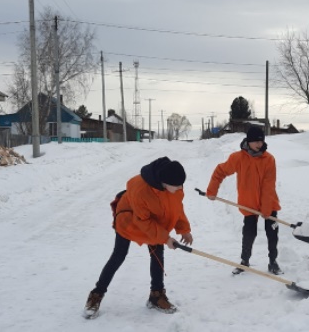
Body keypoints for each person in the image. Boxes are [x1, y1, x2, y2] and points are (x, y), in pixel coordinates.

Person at [83, 156, 193, 319]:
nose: (180, 188)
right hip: (129, 220)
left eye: (181, 185)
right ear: (164, 182)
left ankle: (156, 296)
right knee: (118, 256)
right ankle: (96, 294)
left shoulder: (174, 184)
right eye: (176, 186)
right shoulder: (141, 190)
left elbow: (177, 206)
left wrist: (183, 228)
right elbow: (144, 222)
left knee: (157, 255)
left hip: (154, 220)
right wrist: (166, 238)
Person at [206, 125, 282, 275]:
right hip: (249, 204)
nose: (259, 145)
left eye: (261, 141)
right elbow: (220, 171)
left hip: (269, 203)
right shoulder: (238, 158)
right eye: (256, 142)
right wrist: (212, 190)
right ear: (249, 141)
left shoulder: (269, 159)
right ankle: (244, 262)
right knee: (248, 234)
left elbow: (268, 185)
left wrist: (266, 208)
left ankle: (273, 262)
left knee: (272, 234)